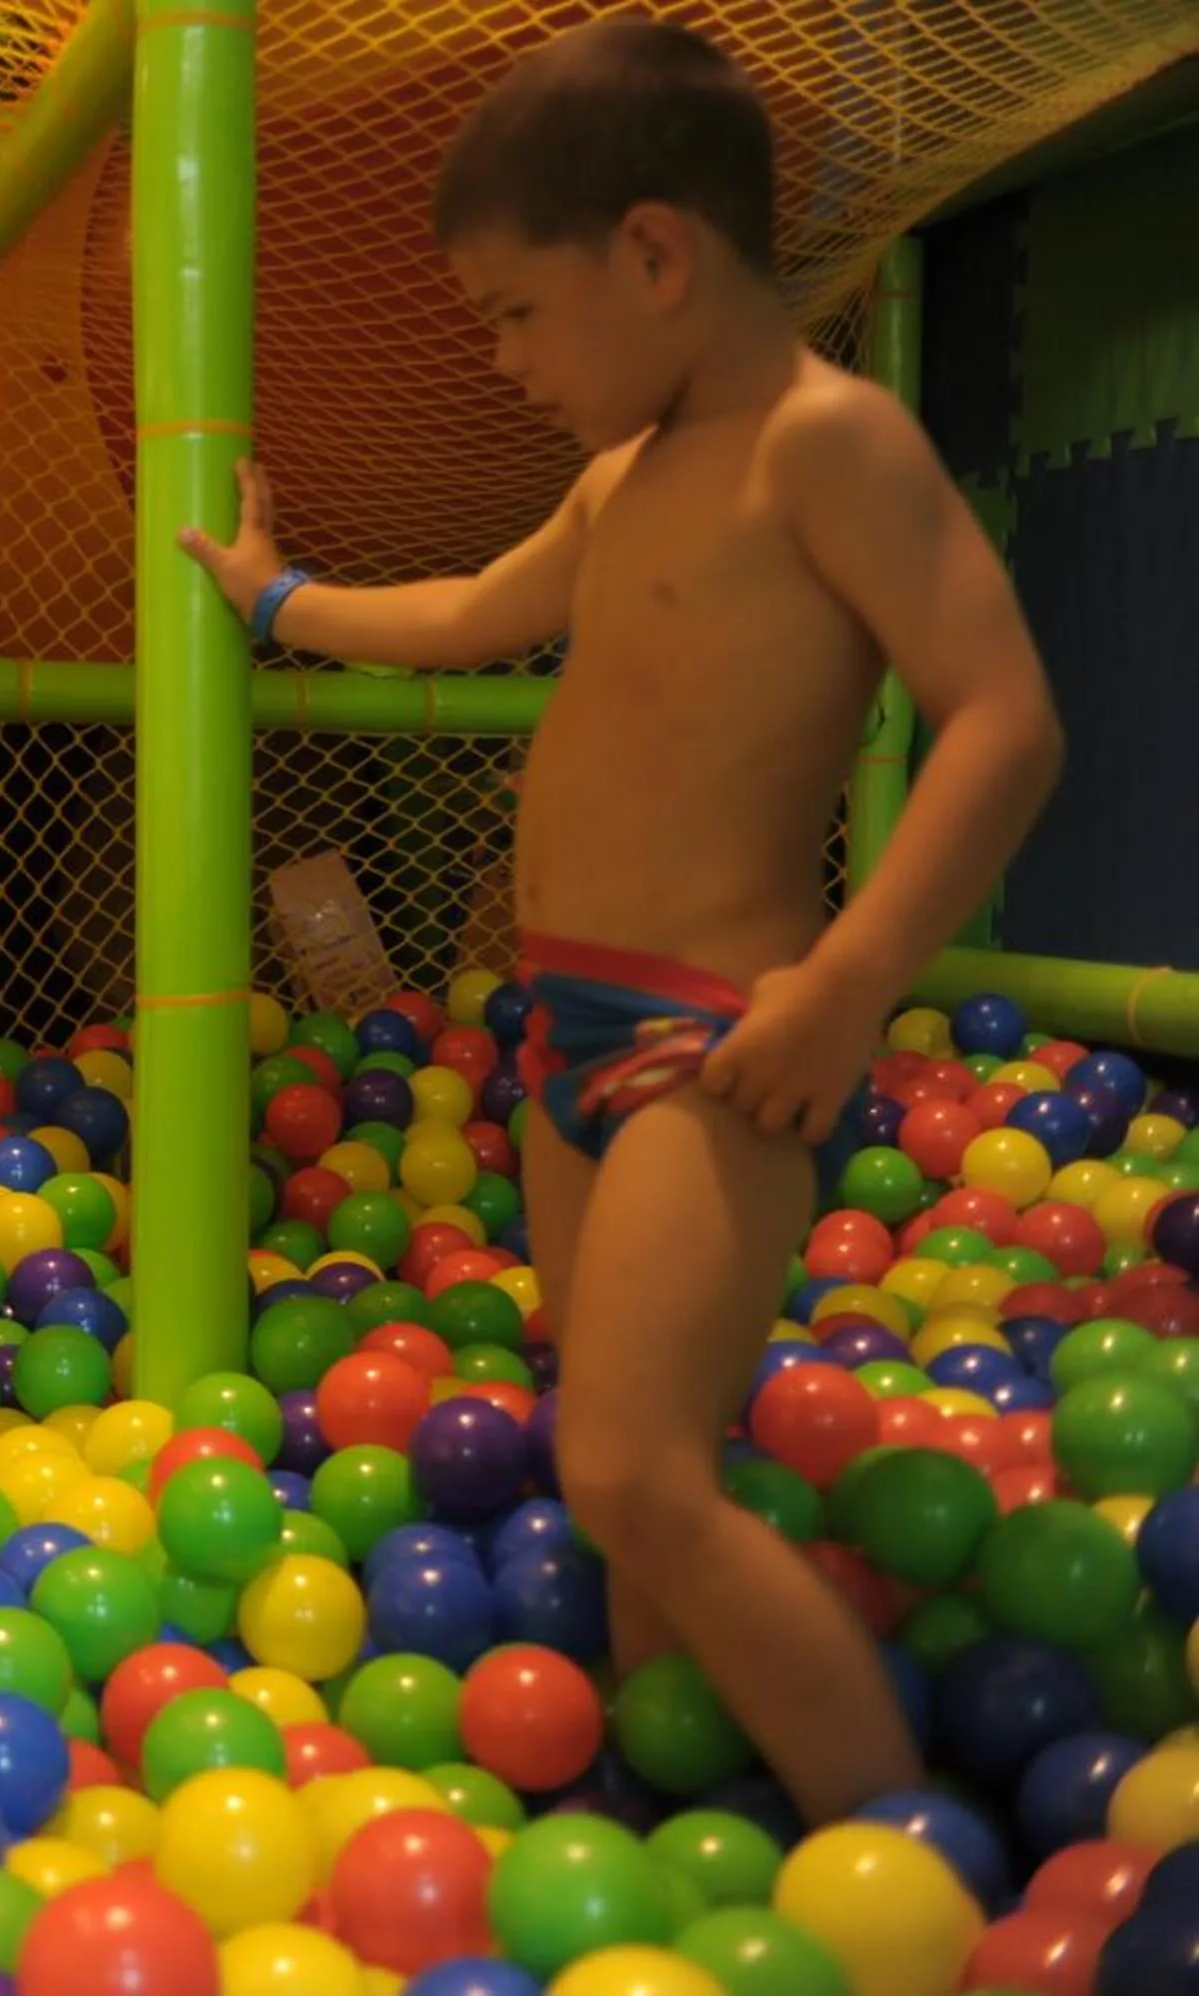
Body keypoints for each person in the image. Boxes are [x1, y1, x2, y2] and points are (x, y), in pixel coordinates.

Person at [178, 16, 1063, 1826]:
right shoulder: (619, 477)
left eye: (515, 313)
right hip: (566, 1035)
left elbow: (1004, 719)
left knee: (640, 1469)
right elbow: (467, 616)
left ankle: (907, 1857)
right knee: (625, 1467)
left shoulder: (830, 446)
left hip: (713, 1037)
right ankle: (691, 1804)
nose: (501, 361)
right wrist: (279, 600)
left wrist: (845, 984)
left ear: (654, 254)